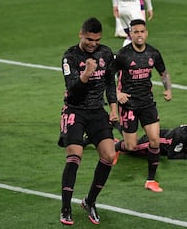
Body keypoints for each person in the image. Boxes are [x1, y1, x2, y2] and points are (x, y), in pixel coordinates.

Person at [58, 17, 118, 225]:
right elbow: (72, 91)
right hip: (75, 111)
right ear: (81, 34)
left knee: (109, 155)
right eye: (89, 39)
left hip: (97, 111)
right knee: (75, 154)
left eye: (97, 40)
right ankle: (66, 208)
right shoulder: (70, 57)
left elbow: (111, 82)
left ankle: (90, 201)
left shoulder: (106, 53)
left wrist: (113, 108)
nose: (93, 43)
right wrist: (86, 74)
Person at [112, 19, 172, 192]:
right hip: (129, 104)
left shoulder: (153, 53)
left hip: (147, 103)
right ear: (130, 34)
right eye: (135, 32)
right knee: (131, 146)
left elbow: (163, 72)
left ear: (146, 33)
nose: (139, 35)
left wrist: (168, 89)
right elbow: (107, 77)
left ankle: (151, 180)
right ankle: (117, 146)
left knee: (155, 141)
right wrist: (117, 94)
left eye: (142, 32)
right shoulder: (123, 55)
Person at [114, 117, 187, 159]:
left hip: (166, 139)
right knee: (130, 147)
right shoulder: (183, 136)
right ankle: (112, 145)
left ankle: (115, 124)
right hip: (158, 140)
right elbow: (172, 155)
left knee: (130, 142)